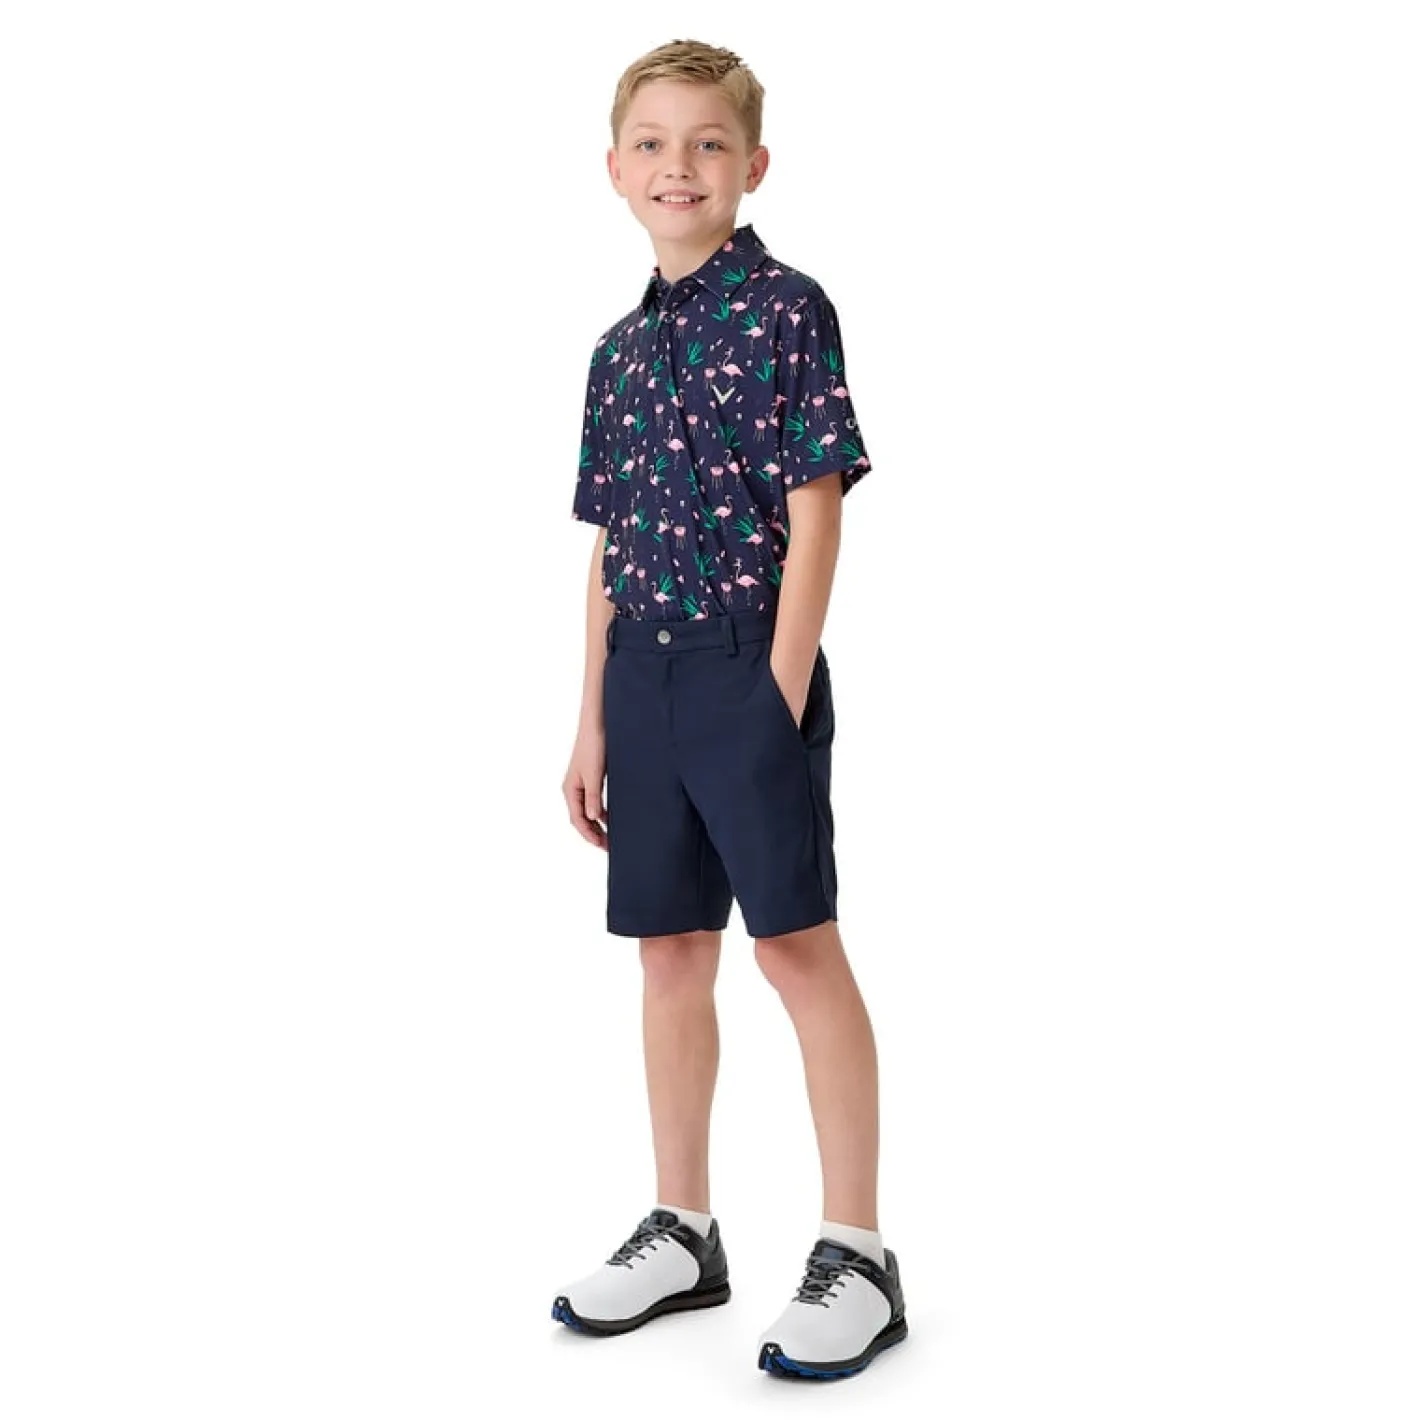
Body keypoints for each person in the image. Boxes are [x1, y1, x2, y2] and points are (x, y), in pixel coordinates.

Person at [552, 38, 907, 1381]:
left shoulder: (788, 310)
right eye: (652, 143)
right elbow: (608, 541)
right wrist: (591, 718)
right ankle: (684, 1230)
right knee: (669, 952)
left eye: (707, 143)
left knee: (796, 948)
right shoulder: (615, 352)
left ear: (753, 166)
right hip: (641, 674)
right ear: (613, 169)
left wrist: (780, 688)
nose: (679, 166)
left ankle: (858, 1253)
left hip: (749, 663)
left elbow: (817, 511)